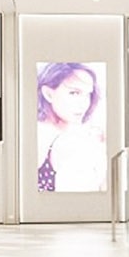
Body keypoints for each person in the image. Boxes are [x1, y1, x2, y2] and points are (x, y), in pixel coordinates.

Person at [35, 62, 107, 192]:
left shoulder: (76, 135)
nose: (83, 103)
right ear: (48, 94)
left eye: (88, 94)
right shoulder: (58, 140)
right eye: (74, 93)